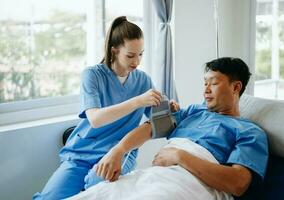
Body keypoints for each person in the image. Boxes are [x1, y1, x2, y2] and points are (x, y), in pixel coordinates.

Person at [91, 57, 269, 198]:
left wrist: (179, 156)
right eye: (204, 83)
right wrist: (118, 150)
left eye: (213, 83)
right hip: (155, 175)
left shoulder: (250, 131)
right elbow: (151, 128)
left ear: (236, 87)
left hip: (191, 184)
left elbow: (238, 183)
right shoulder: (193, 111)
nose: (206, 90)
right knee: (98, 193)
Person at [33, 16, 162, 200]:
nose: (137, 61)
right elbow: (95, 118)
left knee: (97, 188)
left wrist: (168, 107)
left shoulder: (143, 80)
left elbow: (158, 119)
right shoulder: (92, 75)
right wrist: (137, 101)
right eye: (130, 55)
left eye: (141, 54)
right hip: (81, 153)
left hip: (118, 153)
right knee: (49, 197)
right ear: (114, 51)